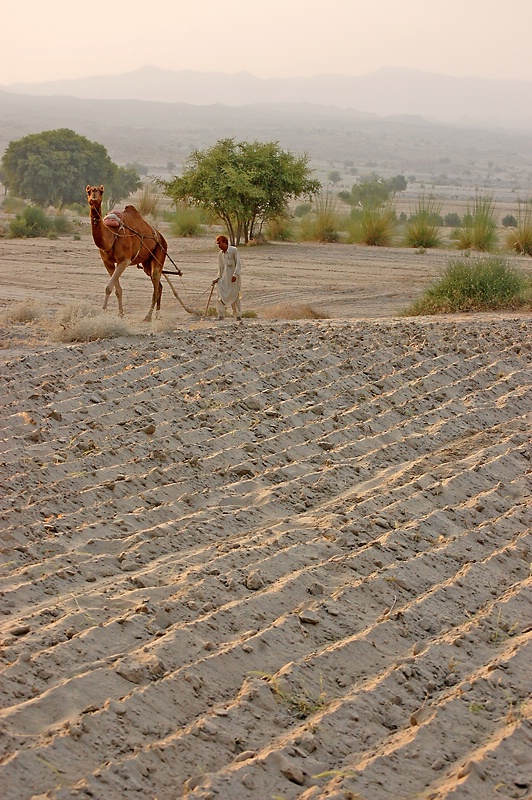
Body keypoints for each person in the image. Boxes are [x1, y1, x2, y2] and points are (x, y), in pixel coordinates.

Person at [212, 235, 242, 321]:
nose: (219, 245)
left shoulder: (233, 250)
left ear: (225, 242)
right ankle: (221, 315)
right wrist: (218, 278)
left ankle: (238, 316)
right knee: (220, 295)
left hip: (233, 279)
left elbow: (238, 263)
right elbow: (220, 267)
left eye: (220, 243)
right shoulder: (220, 254)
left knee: (235, 296)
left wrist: (235, 275)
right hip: (224, 279)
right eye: (217, 244)